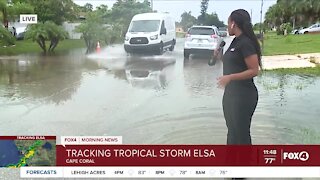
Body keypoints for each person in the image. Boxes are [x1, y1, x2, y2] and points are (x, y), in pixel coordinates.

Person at [216, 9, 262, 145]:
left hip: (244, 96)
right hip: (231, 94)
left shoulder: (246, 43)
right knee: (232, 132)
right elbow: (233, 63)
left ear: (233, 23)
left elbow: (254, 70)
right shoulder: (235, 41)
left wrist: (230, 78)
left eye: (228, 22)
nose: (226, 25)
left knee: (241, 134)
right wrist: (219, 55)